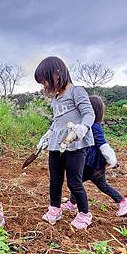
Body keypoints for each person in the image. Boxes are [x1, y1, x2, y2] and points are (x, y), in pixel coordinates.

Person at [35, 56, 95, 230]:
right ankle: (55, 209)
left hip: (74, 145)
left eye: (45, 80)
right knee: (55, 180)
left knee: (74, 182)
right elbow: (57, 121)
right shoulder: (56, 99)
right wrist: (47, 135)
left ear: (56, 74)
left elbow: (89, 113)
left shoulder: (77, 91)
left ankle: (84, 213)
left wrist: (82, 128)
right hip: (56, 145)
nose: (44, 85)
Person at [61, 95, 127, 217]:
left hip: (92, 164)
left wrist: (111, 160)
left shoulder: (94, 126)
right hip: (92, 163)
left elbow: (103, 143)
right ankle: (72, 203)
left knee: (78, 182)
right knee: (79, 182)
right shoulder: (88, 125)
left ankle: (124, 202)